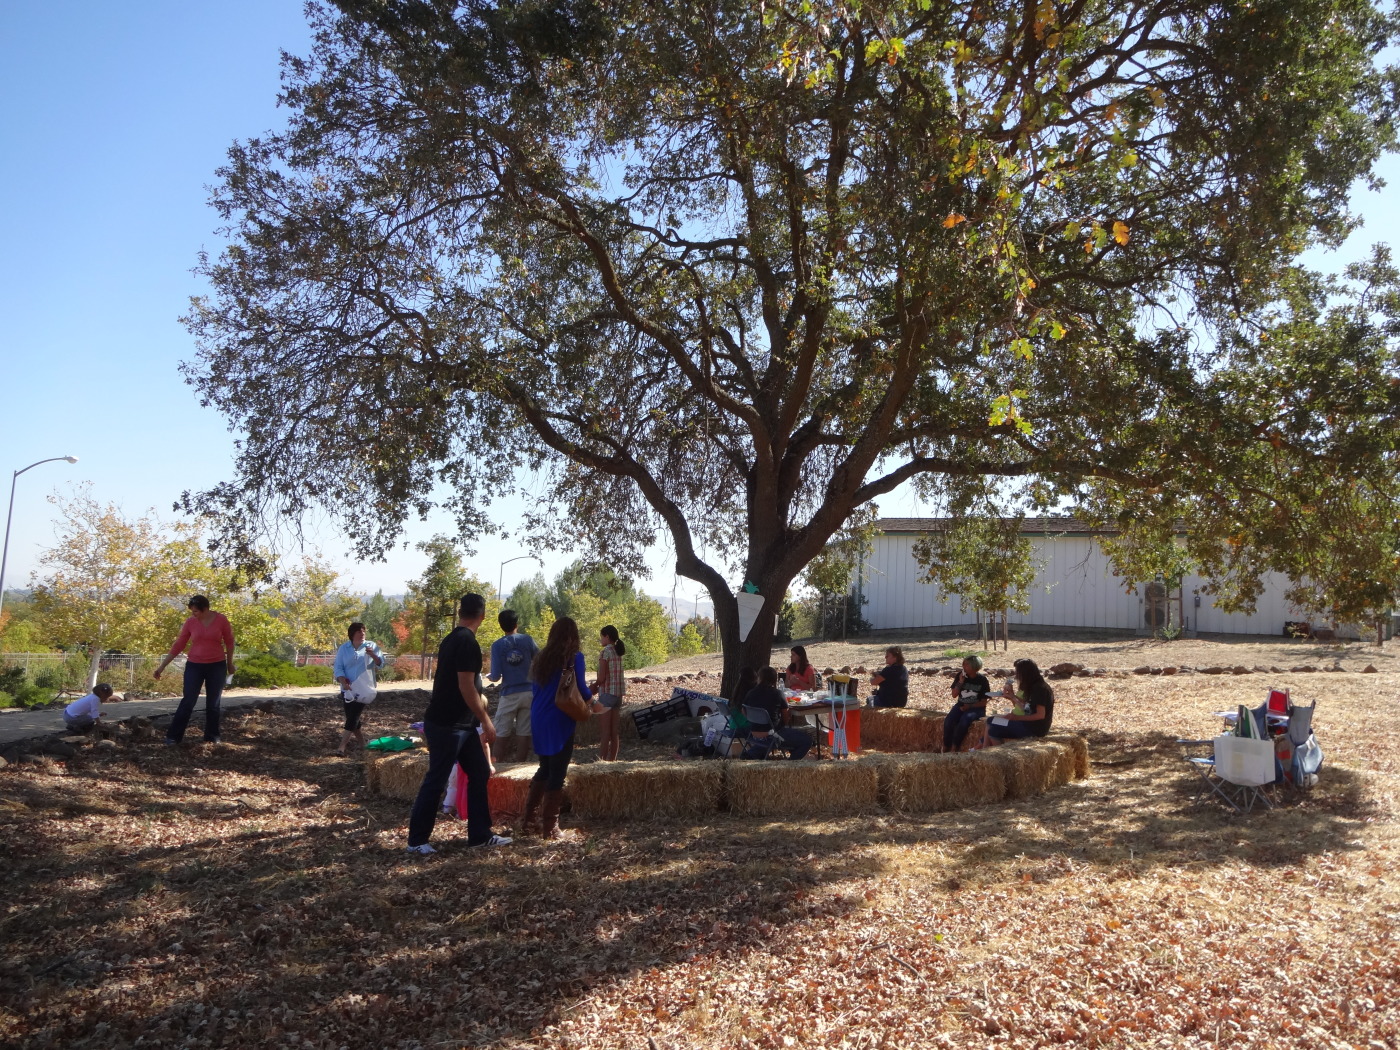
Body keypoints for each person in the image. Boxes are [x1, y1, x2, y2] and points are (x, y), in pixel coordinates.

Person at [405, 593, 511, 854]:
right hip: (448, 724)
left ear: (461, 613)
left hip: (462, 724)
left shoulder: (452, 638)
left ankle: (480, 835)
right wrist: (486, 720)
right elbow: (465, 686)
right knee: (436, 779)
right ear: (482, 616)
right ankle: (417, 841)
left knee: (479, 772)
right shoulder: (466, 642)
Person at [522, 616, 592, 838]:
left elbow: (536, 688)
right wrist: (594, 704)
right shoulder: (573, 657)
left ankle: (528, 821)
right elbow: (581, 688)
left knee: (544, 766)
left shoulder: (541, 657)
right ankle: (550, 827)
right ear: (573, 636)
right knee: (558, 771)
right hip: (559, 717)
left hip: (538, 715)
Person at [153, 595, 236, 746]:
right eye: (192, 611)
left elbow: (230, 642)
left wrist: (230, 664)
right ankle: (173, 737)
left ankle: (212, 737)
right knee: (188, 701)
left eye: (196, 611)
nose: (193, 614)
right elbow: (179, 644)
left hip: (216, 665)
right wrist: (162, 666)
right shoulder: (190, 622)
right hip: (194, 665)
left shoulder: (221, 620)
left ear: (206, 609)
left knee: (213, 703)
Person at [487, 609, 539, 763]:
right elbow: (540, 659)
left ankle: (497, 765)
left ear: (500, 625)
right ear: (517, 623)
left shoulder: (497, 645)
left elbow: (496, 676)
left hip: (509, 693)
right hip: (529, 692)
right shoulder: (527, 640)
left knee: (501, 732)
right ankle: (520, 764)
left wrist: (490, 677)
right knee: (524, 732)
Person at [741, 666, 814, 759]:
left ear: (759, 678)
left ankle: (753, 753)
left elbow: (743, 710)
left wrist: (754, 719)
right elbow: (785, 717)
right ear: (774, 680)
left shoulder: (751, 693)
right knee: (807, 740)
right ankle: (791, 763)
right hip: (773, 733)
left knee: (774, 740)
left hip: (754, 732)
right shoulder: (777, 693)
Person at [333, 621, 383, 756]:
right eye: (359, 631)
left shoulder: (371, 646)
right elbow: (338, 667)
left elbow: (381, 663)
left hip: (364, 688)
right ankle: (363, 744)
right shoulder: (344, 648)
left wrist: (373, 655)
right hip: (347, 688)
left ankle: (341, 747)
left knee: (353, 716)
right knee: (352, 717)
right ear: (352, 634)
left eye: (363, 631)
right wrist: (342, 681)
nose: (362, 633)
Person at [987, 658, 1056, 743]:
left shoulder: (1040, 689)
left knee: (993, 728)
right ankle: (985, 747)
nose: (1016, 676)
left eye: (1018, 673)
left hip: (1034, 728)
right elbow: (1027, 706)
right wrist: (1012, 696)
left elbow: (1040, 715)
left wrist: (1016, 718)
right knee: (991, 721)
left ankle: (996, 750)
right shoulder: (1034, 686)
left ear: (1025, 673)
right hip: (1027, 724)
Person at [591, 625, 626, 761]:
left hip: (607, 693)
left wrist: (593, 686)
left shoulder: (605, 652)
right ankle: (612, 760)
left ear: (607, 637)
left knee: (605, 732)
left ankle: (601, 761)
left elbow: (601, 677)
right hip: (618, 694)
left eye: (601, 637)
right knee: (614, 732)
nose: (601, 639)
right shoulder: (618, 651)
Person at [942, 654, 990, 752]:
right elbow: (954, 695)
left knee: (964, 721)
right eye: (963, 664)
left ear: (974, 666)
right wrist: (960, 681)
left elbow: (984, 702)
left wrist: (970, 706)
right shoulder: (960, 675)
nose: (963, 667)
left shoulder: (982, 680)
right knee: (949, 721)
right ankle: (946, 746)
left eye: (967, 665)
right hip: (961, 705)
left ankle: (955, 748)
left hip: (976, 708)